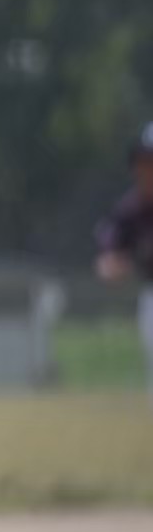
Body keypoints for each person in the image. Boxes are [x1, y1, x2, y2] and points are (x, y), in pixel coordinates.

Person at [94, 122, 153, 405]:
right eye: (143, 162)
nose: (146, 169)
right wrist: (120, 264)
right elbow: (107, 262)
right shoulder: (129, 211)